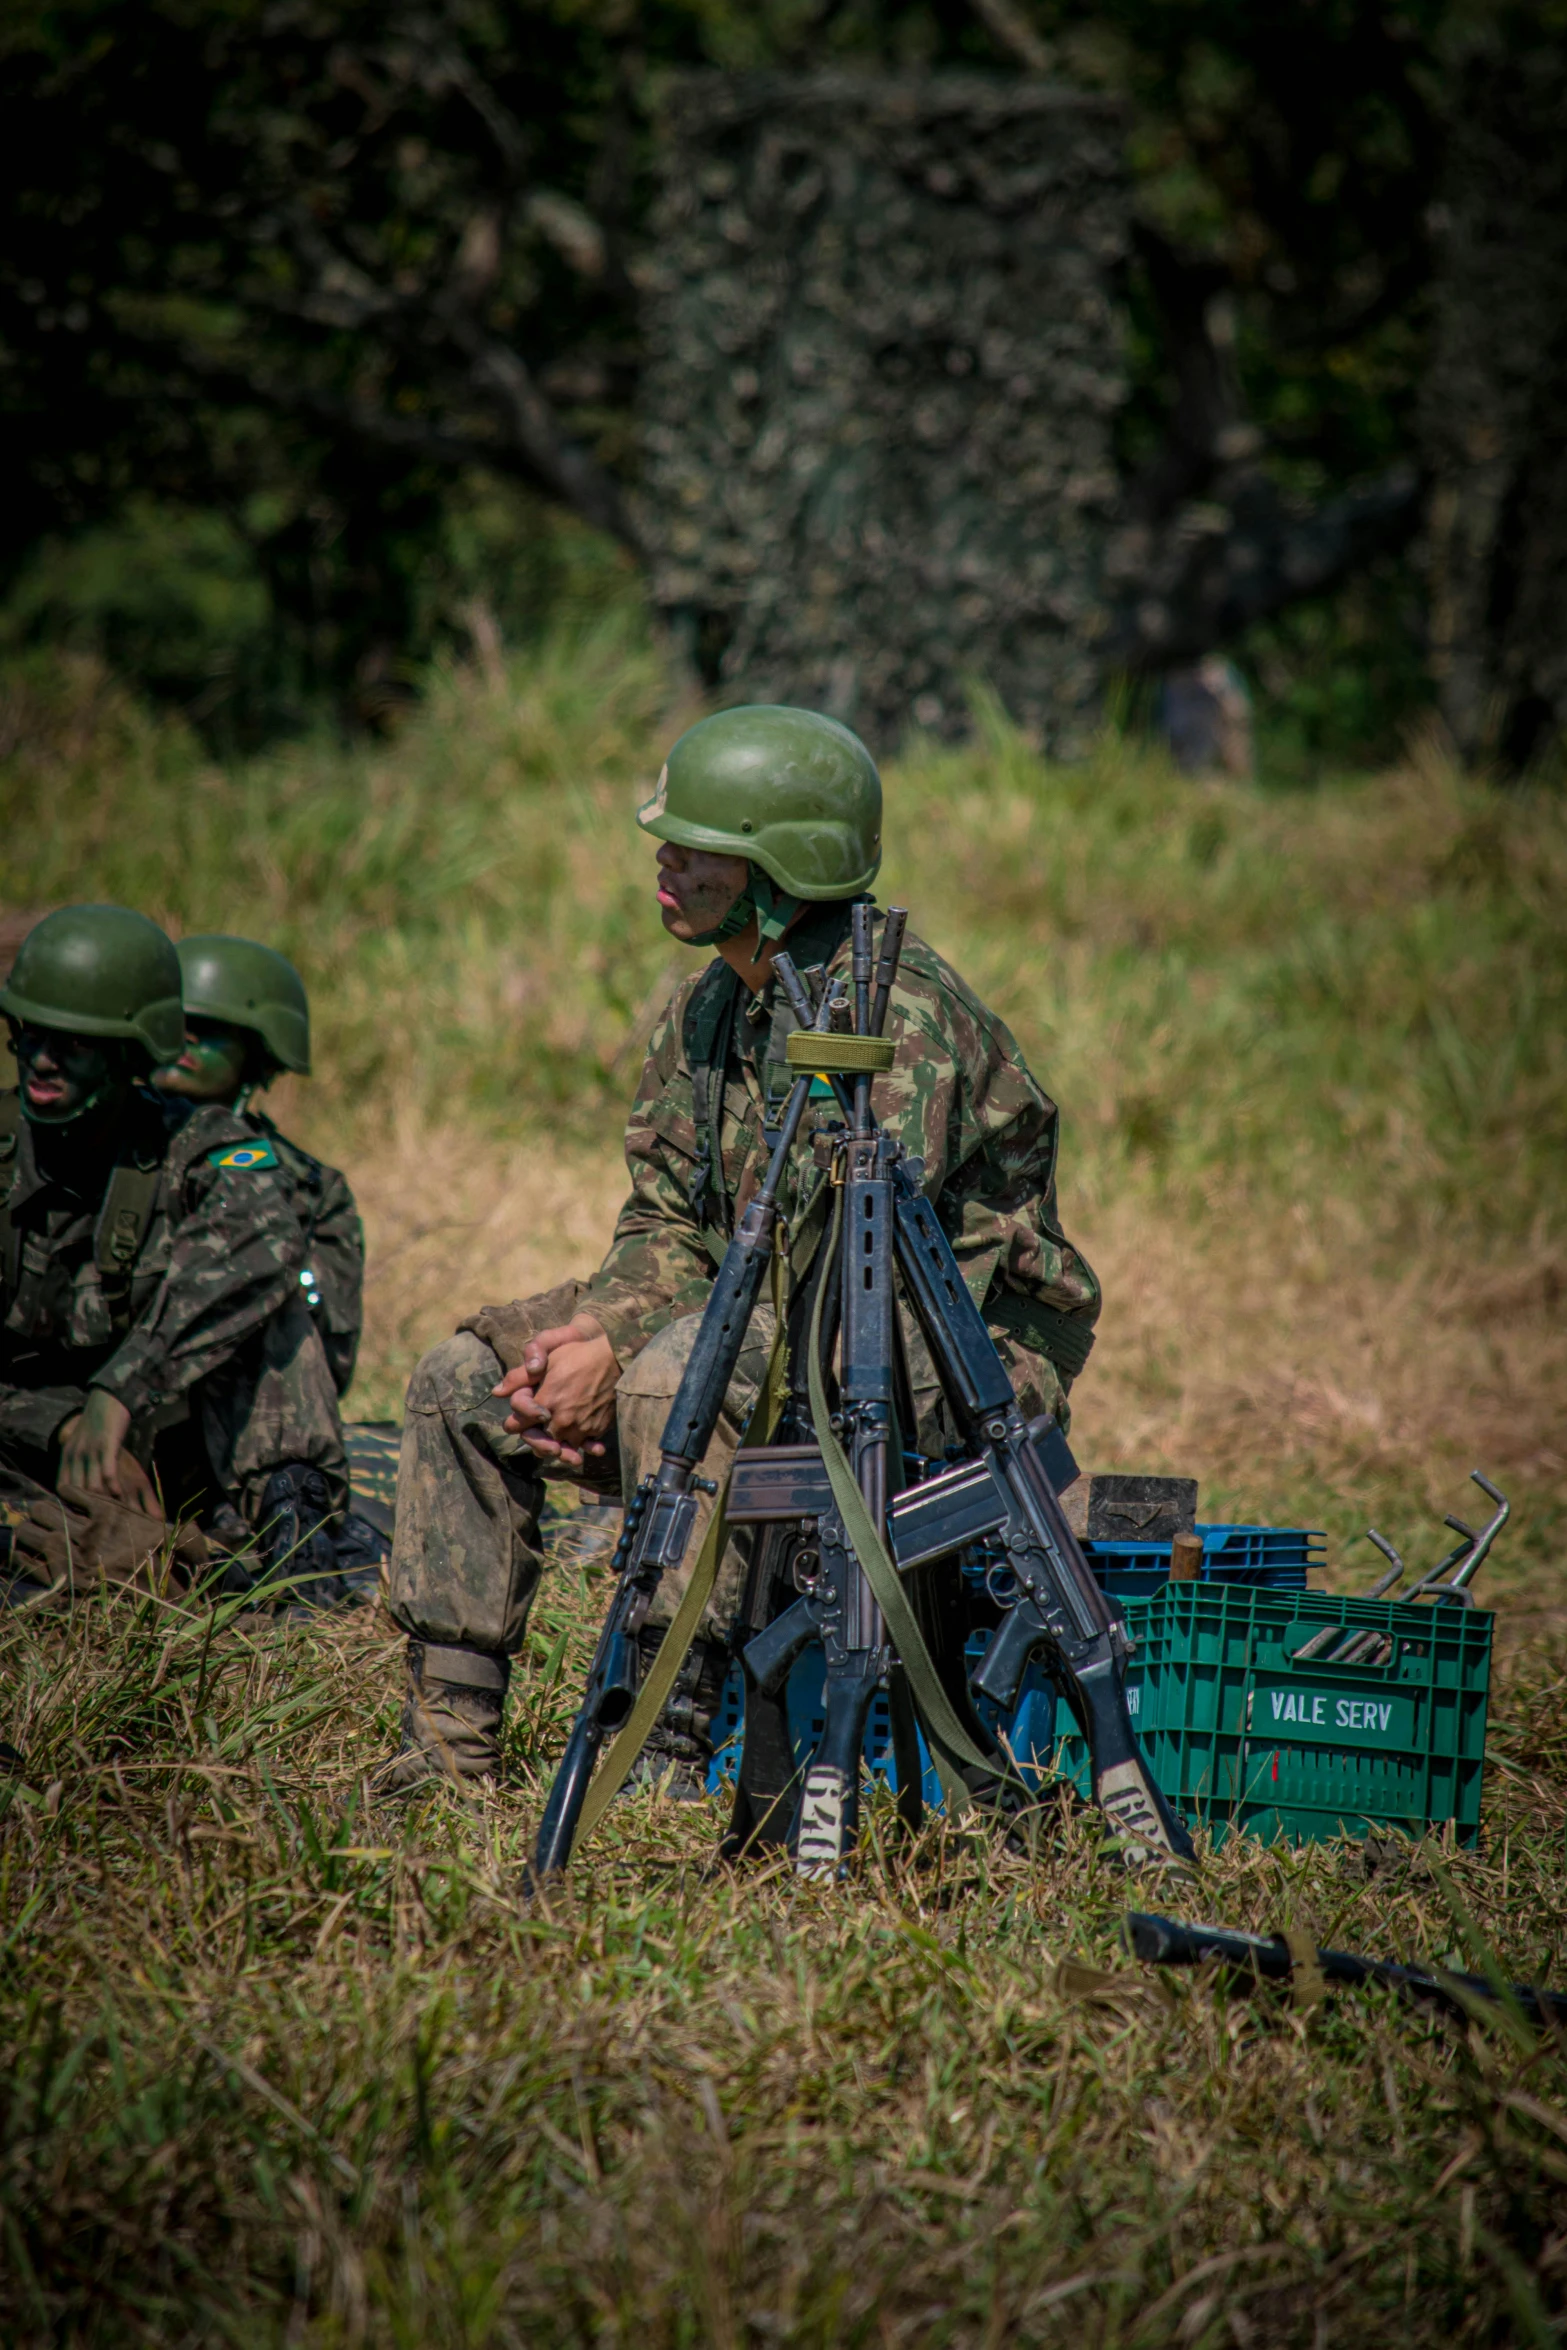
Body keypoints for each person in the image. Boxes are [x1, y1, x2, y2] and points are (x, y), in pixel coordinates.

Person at [375, 704, 1101, 1797]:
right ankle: (447, 1739)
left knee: (676, 1381)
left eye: (696, 846)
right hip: (756, 1305)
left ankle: (666, 1736)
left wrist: (626, 1359)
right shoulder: (713, 1004)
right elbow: (668, 1220)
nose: (663, 862)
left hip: (944, 1347)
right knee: (458, 1379)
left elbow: (835, 1258)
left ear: (783, 863)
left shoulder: (886, 1016)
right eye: (666, 841)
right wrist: (598, 1334)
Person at [0, 905, 349, 1607]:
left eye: (75, 1045)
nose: (43, 1060)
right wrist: (64, 1422)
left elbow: (265, 1243)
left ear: (130, 1053)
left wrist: (121, 1389)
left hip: (164, 1431)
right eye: (32, 1035)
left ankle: (294, 1558)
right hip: (25, 1437)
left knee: (270, 1322)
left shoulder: (204, 1146)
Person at [152, 935, 364, 1397]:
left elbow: (328, 1357)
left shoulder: (308, 1189)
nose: (184, 1036)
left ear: (258, 1052)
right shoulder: (98, 1151)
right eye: (173, 1021)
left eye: (208, 1027)